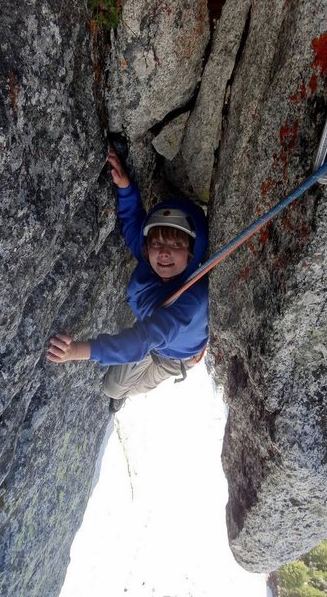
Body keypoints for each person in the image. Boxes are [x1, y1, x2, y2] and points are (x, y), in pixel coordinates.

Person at [47, 148, 209, 411]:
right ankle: (125, 386)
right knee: (116, 381)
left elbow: (144, 340)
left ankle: (128, 393)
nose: (164, 252)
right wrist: (125, 189)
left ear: (192, 252)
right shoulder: (152, 260)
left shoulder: (192, 299)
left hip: (175, 355)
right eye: (157, 242)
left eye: (177, 244)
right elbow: (134, 224)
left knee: (114, 388)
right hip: (152, 329)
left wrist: (75, 351)